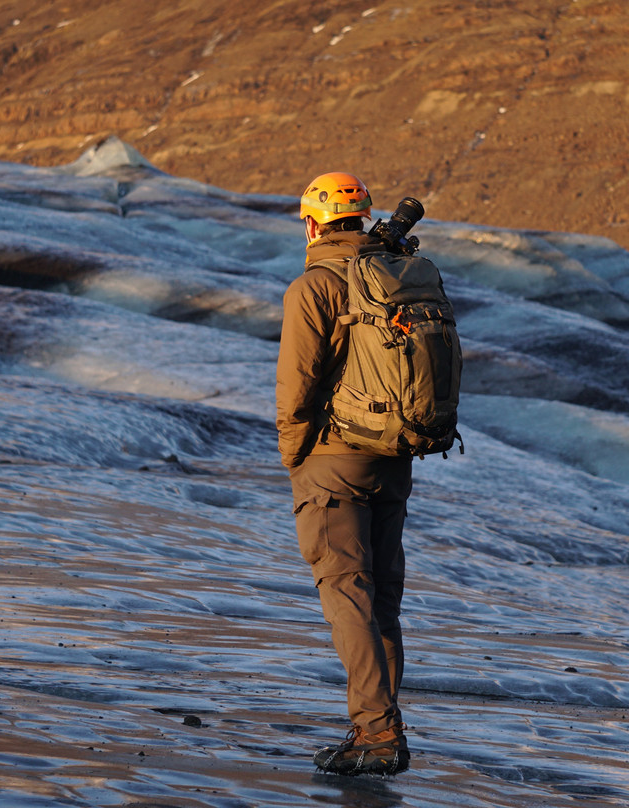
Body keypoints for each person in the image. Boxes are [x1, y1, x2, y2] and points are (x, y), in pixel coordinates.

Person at [276, 172, 414, 776]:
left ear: (312, 224)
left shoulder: (314, 288)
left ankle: (378, 737)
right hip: (395, 455)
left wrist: (295, 457)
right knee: (381, 600)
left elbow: (296, 389)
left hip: (334, 461)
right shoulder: (395, 277)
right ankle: (380, 727)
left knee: (346, 593)